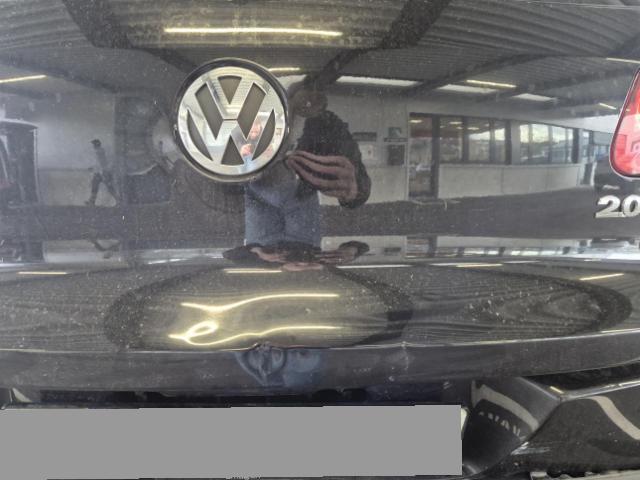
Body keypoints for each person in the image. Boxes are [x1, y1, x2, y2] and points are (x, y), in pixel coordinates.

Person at [244, 84, 371, 247]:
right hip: (263, 197)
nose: (310, 101)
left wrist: (357, 190)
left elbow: (353, 164)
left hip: (299, 202)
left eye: (316, 95)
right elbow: (229, 177)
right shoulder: (254, 120)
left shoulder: (329, 125)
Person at [86, 138, 118, 205]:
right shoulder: (99, 151)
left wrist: (101, 171)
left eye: (93, 144)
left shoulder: (99, 151)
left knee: (108, 187)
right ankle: (92, 201)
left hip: (103, 172)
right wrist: (94, 168)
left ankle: (118, 200)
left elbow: (101, 162)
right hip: (100, 172)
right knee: (96, 186)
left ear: (96, 145)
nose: (93, 146)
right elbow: (100, 162)